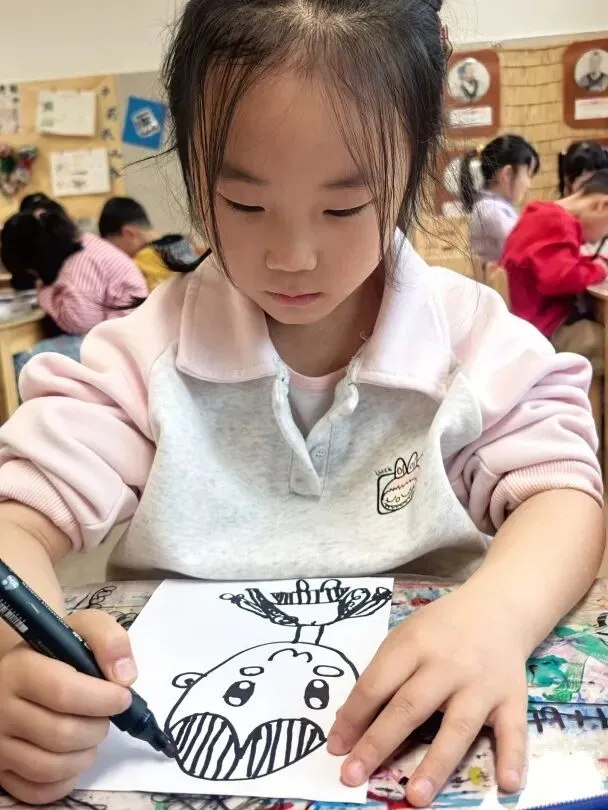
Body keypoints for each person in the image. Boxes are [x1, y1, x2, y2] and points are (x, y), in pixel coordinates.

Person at [0, 0, 603, 806]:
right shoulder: (143, 358)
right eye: (244, 205)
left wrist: (499, 614)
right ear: (192, 169)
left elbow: (564, 495)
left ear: (416, 164)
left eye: (344, 207)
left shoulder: (466, 339)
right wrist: (17, 659)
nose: (292, 256)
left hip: (415, 749)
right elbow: (16, 520)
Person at [502, 170, 608, 371]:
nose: (598, 240)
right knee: (602, 342)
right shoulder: (557, 222)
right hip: (543, 331)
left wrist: (594, 264)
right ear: (603, 205)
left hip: (530, 323)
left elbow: (561, 264)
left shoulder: (541, 214)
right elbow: (559, 279)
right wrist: (600, 270)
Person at [0, 205, 148, 335]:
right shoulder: (86, 242)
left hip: (125, 335)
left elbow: (80, 323)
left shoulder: (75, 268)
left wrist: (44, 292)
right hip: (132, 325)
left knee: (29, 355)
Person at [460, 134, 540, 263]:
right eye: (528, 174)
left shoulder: (491, 206)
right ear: (507, 174)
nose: (528, 184)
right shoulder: (491, 210)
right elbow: (527, 246)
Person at [99, 197, 199, 291]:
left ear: (129, 233)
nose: (115, 254)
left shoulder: (141, 262)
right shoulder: (182, 245)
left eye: (114, 248)